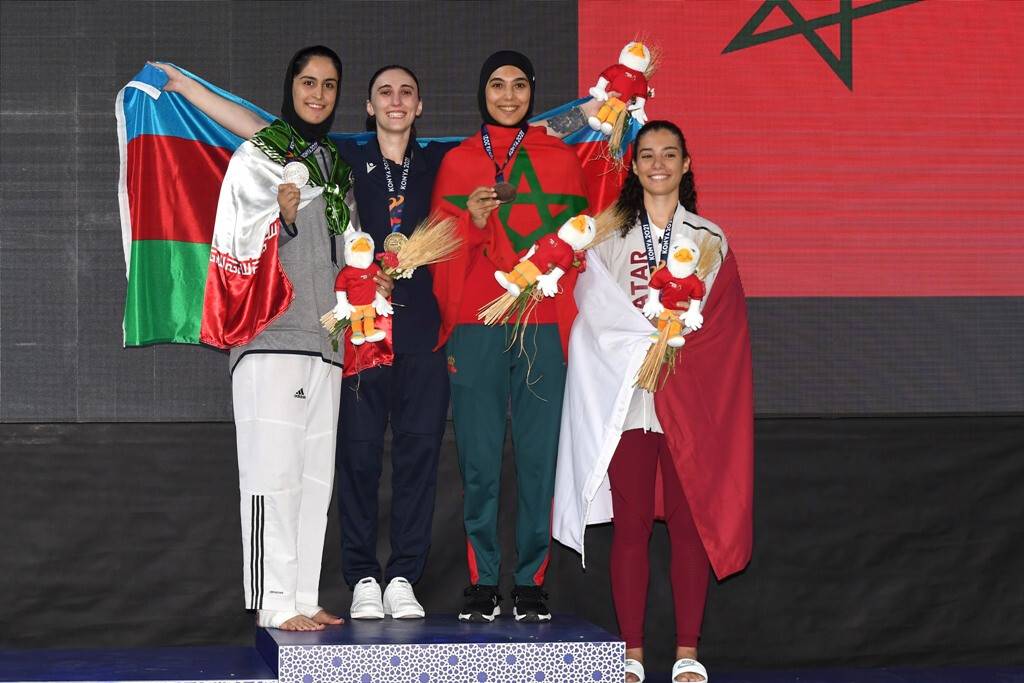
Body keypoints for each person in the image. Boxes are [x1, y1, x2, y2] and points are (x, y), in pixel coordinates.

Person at [155, 58, 596, 621]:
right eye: (384, 92)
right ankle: (362, 575)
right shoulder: (338, 155)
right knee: (356, 460)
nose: (395, 100)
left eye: (407, 92)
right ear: (367, 106)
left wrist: (594, 113)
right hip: (359, 336)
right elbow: (258, 126)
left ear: (419, 107)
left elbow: (532, 132)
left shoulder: (444, 158)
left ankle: (405, 577)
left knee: (418, 458)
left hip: (424, 334)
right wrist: (188, 87)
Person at [552, 121, 755, 681]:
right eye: (647, 155)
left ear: (687, 164)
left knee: (690, 527)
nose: (658, 163)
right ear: (634, 165)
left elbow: (723, 326)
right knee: (633, 524)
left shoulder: (710, 238)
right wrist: (633, 346)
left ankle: (687, 652)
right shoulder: (608, 236)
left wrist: (677, 348)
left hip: (690, 402)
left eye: (670, 154)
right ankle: (633, 653)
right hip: (629, 400)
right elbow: (590, 313)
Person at [189, 45, 356, 632]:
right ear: (290, 86)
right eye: (308, 82)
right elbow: (235, 235)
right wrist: (280, 218)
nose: (318, 93)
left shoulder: (335, 165)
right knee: (270, 474)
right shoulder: (258, 155)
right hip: (271, 339)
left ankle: (303, 595)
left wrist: (370, 273)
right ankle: (271, 602)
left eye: (330, 85)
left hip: (328, 343)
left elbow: (347, 253)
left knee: (315, 478)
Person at [430, 51, 590, 623]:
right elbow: (438, 252)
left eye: (519, 85)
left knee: (538, 458)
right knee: (478, 459)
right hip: (476, 324)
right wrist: (470, 224)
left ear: (531, 93)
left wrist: (554, 270)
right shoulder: (457, 162)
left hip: (541, 323)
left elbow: (579, 241)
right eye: (496, 84)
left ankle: (530, 579)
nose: (507, 94)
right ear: (482, 91)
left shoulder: (561, 158)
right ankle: (481, 580)